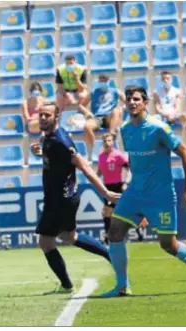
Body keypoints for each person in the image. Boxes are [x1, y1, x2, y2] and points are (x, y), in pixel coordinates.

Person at [102, 86, 186, 297]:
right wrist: (128, 186)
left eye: (136, 99)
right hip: (135, 192)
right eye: (129, 99)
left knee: (168, 244)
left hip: (160, 194)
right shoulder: (125, 130)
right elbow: (135, 161)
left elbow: (185, 154)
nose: (132, 102)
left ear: (145, 103)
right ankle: (122, 285)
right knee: (115, 231)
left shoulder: (159, 128)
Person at [29, 102, 119, 293]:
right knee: (68, 236)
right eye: (41, 115)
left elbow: (84, 166)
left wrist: (104, 192)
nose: (43, 118)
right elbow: (51, 157)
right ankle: (110, 254)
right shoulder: (46, 137)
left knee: (45, 242)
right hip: (60, 197)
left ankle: (67, 285)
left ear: (56, 117)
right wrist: (39, 152)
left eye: (47, 115)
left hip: (61, 199)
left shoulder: (62, 141)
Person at [97, 133, 146, 244]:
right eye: (105, 141)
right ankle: (108, 236)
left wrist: (126, 182)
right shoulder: (101, 156)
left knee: (126, 211)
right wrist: (95, 177)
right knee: (107, 212)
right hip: (107, 187)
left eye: (109, 141)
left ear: (113, 142)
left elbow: (129, 168)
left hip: (118, 186)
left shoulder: (118, 155)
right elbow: (99, 171)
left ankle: (139, 230)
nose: (107, 143)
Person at [85, 74, 125, 161]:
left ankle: (111, 135)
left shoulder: (115, 91)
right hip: (97, 117)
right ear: (98, 81)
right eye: (101, 79)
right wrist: (87, 112)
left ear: (109, 80)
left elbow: (127, 101)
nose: (103, 81)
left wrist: (123, 108)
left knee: (116, 110)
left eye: (105, 79)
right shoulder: (93, 92)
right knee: (87, 126)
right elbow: (81, 105)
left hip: (110, 117)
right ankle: (95, 149)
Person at [153, 71, 186, 144]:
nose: (165, 80)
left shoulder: (177, 91)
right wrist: (167, 115)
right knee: (153, 118)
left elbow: (177, 107)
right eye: (163, 79)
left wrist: (172, 115)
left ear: (171, 79)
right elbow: (157, 108)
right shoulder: (156, 92)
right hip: (162, 116)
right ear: (161, 80)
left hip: (174, 115)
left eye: (167, 78)